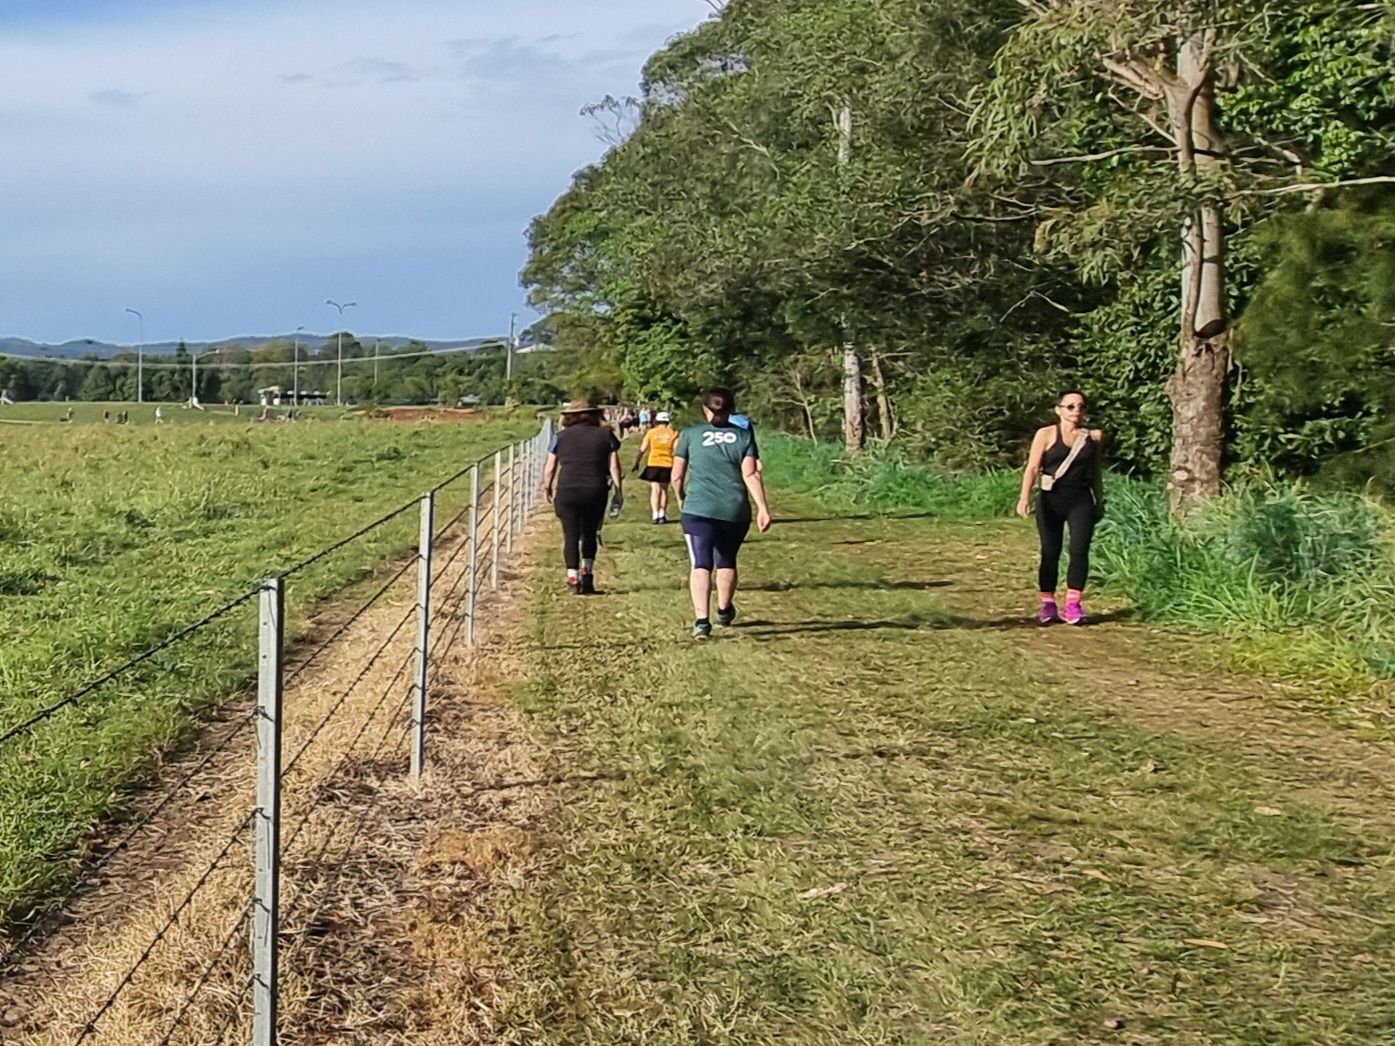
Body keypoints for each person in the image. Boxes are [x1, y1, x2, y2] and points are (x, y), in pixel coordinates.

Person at [672, 388, 773, 639]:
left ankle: (702, 621)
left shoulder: (689, 435)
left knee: (701, 563)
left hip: (698, 509)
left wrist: (680, 497)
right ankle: (724, 609)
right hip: (734, 509)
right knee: (726, 559)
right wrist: (763, 507)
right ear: (731, 409)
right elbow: (750, 474)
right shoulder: (743, 436)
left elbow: (676, 476)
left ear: (705, 409)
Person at [1016, 389, 1105, 625]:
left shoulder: (1091, 438)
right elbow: (1032, 467)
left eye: (1080, 406)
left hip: (1081, 500)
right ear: (1059, 410)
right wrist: (1024, 498)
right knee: (1050, 552)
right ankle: (1048, 603)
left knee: (1079, 550)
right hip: (1050, 500)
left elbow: (1096, 472)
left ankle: (1073, 604)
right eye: (1070, 406)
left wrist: (1100, 500)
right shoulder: (1045, 434)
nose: (1076, 411)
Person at [542, 399, 623, 595]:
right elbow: (614, 466)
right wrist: (619, 491)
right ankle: (587, 576)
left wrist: (547, 487)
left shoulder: (560, 437)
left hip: (568, 490)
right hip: (595, 490)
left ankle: (572, 578)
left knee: (570, 535)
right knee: (589, 533)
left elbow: (551, 466)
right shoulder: (606, 435)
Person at [632, 410, 678, 524]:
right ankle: (662, 514)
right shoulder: (673, 433)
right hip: (668, 464)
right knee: (664, 490)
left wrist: (637, 462)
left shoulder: (651, 433)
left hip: (654, 463)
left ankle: (655, 514)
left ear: (656, 421)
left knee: (655, 489)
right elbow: (677, 450)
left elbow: (643, 449)